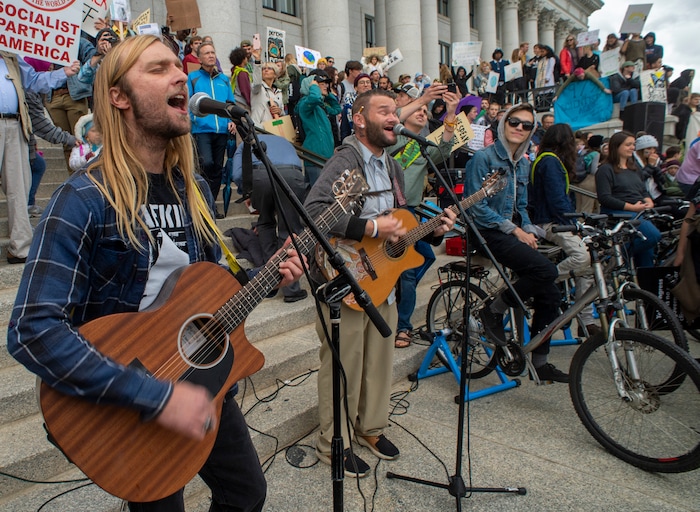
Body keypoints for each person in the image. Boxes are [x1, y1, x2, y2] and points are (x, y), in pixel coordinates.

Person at [7, 35, 304, 511]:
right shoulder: (83, 199)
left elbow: (205, 294)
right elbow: (31, 330)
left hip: (201, 374)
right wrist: (155, 395)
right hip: (126, 403)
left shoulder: (196, 192)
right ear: (119, 97)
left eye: (178, 67)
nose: (180, 75)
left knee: (246, 495)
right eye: (158, 68)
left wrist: (265, 277)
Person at [304, 88, 455, 477]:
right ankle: (332, 443)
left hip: (380, 279)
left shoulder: (393, 166)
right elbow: (314, 213)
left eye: (395, 111)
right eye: (383, 110)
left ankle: (370, 428)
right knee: (344, 364)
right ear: (359, 119)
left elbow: (400, 228)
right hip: (343, 276)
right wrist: (371, 225)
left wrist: (436, 231)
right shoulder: (346, 159)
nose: (393, 117)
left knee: (379, 361)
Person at [464, 103, 567, 383]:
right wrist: (514, 230)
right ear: (503, 123)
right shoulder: (483, 159)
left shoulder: (523, 164)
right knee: (546, 270)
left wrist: (536, 231)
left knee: (552, 295)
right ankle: (493, 310)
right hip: (487, 231)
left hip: (512, 232)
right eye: (514, 122)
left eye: (526, 125)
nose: (520, 128)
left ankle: (540, 361)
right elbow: (475, 208)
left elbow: (522, 207)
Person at [390, 90, 461, 348]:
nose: (422, 112)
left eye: (425, 112)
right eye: (417, 109)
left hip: (411, 213)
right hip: (387, 213)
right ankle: (403, 326)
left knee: (424, 259)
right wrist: (421, 100)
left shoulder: (422, 146)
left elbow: (443, 148)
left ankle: (399, 304)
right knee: (407, 271)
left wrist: (451, 114)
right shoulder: (390, 139)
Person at [0, 52, 79, 264]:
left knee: (19, 186)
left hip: (14, 124)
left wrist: (64, 72)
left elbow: (34, 81)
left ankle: (21, 246)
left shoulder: (11, 57)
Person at [529, 123, 600, 336]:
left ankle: (586, 321)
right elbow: (557, 199)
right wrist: (574, 225)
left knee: (589, 264)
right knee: (582, 258)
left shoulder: (549, 160)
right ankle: (541, 282)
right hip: (549, 222)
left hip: (555, 219)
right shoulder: (550, 162)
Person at [233, 134, 309, 302]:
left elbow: (238, 173)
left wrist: (246, 192)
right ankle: (292, 290)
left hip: (261, 176)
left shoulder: (247, 141)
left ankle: (269, 280)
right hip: (292, 175)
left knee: (266, 223)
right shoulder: (283, 140)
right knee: (290, 229)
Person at [595, 131, 661, 268]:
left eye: (633, 144)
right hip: (620, 213)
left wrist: (648, 200)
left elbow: (642, 189)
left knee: (647, 255)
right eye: (628, 145)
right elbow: (604, 197)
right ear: (616, 147)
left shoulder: (634, 169)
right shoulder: (605, 170)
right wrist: (631, 207)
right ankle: (615, 257)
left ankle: (643, 286)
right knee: (653, 235)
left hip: (640, 212)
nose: (632, 147)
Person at [189, 42, 237, 218]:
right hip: (201, 130)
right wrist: (194, 120)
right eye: (207, 53)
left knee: (217, 168)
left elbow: (230, 103)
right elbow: (188, 102)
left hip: (222, 130)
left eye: (213, 52)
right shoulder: (193, 77)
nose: (211, 55)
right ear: (199, 58)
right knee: (206, 164)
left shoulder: (224, 79)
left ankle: (210, 205)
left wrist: (232, 120)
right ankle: (200, 203)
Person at [295, 69, 341, 185]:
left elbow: (336, 109)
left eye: (326, 83)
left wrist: (327, 93)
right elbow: (314, 98)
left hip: (325, 157)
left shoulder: (320, 105)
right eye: (321, 84)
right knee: (318, 194)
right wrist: (313, 86)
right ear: (311, 87)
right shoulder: (305, 104)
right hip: (315, 157)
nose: (326, 85)